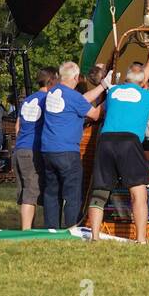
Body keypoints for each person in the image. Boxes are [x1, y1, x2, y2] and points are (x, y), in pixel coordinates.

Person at [87, 45, 149, 243]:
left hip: (106, 140)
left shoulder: (114, 91)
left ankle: (94, 237)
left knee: (99, 191)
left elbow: (96, 113)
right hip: (129, 142)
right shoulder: (147, 96)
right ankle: (141, 239)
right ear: (142, 81)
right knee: (138, 192)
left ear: (125, 79)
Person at [40, 62, 105, 230]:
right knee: (72, 193)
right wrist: (111, 95)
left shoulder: (52, 92)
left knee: (51, 192)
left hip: (48, 150)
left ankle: (51, 229)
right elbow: (96, 114)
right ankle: (72, 228)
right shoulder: (74, 97)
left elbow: (81, 100)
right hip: (67, 151)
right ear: (76, 78)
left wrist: (103, 86)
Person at [13, 67, 56, 230]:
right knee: (31, 192)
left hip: (19, 149)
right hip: (33, 149)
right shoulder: (48, 99)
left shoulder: (28, 100)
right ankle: (26, 231)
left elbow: (18, 127)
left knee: (25, 191)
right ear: (52, 80)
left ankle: (29, 226)